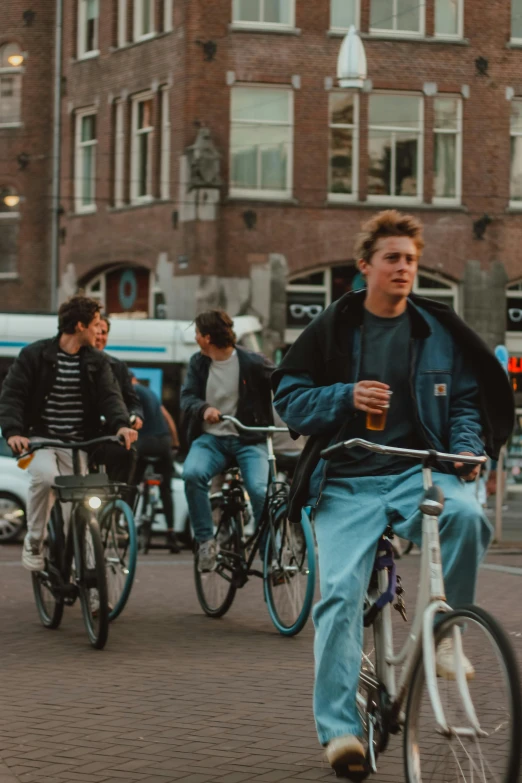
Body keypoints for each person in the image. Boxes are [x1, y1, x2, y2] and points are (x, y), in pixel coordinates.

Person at [272, 210, 514, 777]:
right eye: (393, 258)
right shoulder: (335, 325)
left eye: (410, 259)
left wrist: (464, 449)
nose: (404, 268)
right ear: (366, 267)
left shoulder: (435, 330)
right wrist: (345, 396)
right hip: (348, 480)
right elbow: (288, 397)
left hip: (417, 472)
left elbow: (465, 404)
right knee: (336, 597)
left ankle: (446, 631)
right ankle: (340, 732)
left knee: (467, 518)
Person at [0, 296, 138, 571]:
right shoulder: (34, 355)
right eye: (96, 324)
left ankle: (91, 582)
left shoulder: (97, 362)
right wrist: (14, 432)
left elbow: (111, 397)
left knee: (82, 512)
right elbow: (12, 396)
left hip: (78, 444)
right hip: (41, 439)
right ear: (79, 325)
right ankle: (34, 540)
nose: (99, 330)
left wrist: (121, 424)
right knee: (46, 477)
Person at [180, 310, 274, 572]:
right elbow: (187, 397)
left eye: (197, 333)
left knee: (258, 490)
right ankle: (206, 542)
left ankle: (270, 554)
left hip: (248, 439)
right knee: (192, 474)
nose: (195, 337)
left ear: (207, 337)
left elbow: (281, 379)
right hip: (212, 441)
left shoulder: (253, 362)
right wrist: (203, 409)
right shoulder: (198, 363)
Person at [131, 374, 181, 553]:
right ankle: (171, 534)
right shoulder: (151, 394)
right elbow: (167, 418)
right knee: (166, 489)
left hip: (144, 443)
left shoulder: (132, 391)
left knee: (132, 484)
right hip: (163, 443)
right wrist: (175, 443)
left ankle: (126, 524)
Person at [95, 315, 143, 483]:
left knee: (128, 454)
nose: (100, 337)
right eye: (97, 332)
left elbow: (133, 401)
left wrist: (136, 416)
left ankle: (119, 504)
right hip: (85, 436)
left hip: (110, 435)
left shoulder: (118, 366)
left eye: (104, 333)